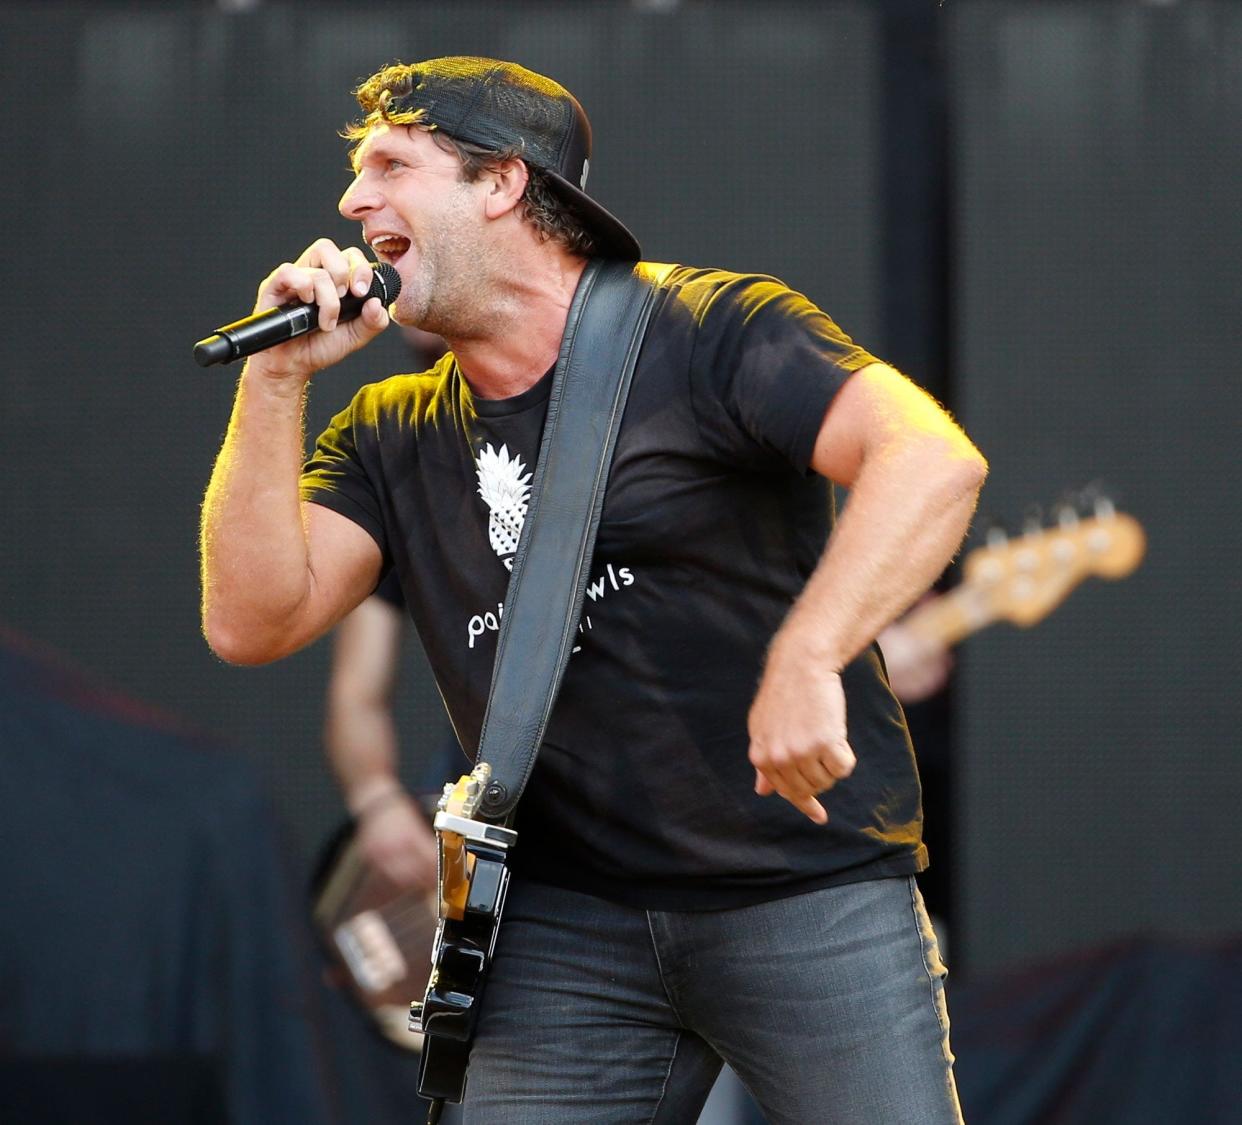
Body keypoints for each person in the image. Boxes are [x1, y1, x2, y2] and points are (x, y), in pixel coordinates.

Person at [200, 56, 987, 1124]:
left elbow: (931, 462)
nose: (351, 202)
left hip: (801, 891)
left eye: (392, 164)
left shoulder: (711, 332)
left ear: (502, 184)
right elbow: (252, 621)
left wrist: (809, 656)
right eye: (356, 173)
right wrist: (276, 378)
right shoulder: (391, 436)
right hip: (564, 923)